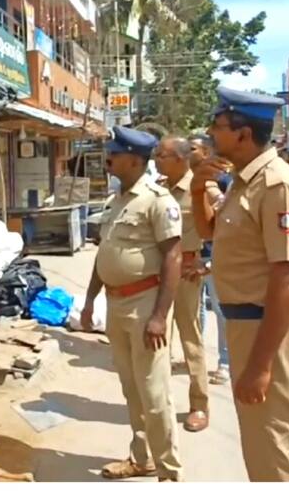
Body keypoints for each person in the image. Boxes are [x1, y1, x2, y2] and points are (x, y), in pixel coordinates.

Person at [192, 87, 289, 482]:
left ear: (243, 134)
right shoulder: (244, 181)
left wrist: (261, 365)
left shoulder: (277, 185)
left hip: (268, 326)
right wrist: (198, 189)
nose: (212, 135)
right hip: (248, 323)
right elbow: (208, 231)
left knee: (272, 446)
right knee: (260, 440)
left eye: (218, 127)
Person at [81, 126, 184, 481]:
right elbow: (103, 255)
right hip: (116, 304)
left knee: (154, 394)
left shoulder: (158, 201)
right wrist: (90, 300)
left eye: (116, 152)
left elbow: (174, 258)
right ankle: (142, 457)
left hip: (144, 305)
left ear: (136, 160)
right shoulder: (115, 202)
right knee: (131, 389)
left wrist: (159, 315)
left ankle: (169, 472)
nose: (109, 157)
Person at [153, 136, 210, 432]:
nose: (156, 159)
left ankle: (199, 404)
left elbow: (226, 230)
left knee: (190, 339)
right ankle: (159, 404)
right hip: (158, 272)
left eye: (162, 155)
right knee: (158, 339)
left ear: (180, 158)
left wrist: (208, 263)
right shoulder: (158, 191)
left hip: (187, 273)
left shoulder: (201, 189)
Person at [188, 135, 230, 386]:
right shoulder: (180, 182)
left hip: (214, 256)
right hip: (191, 255)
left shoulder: (223, 181)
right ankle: (197, 358)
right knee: (195, 311)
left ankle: (225, 363)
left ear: (205, 152)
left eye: (192, 148)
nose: (187, 152)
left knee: (220, 311)